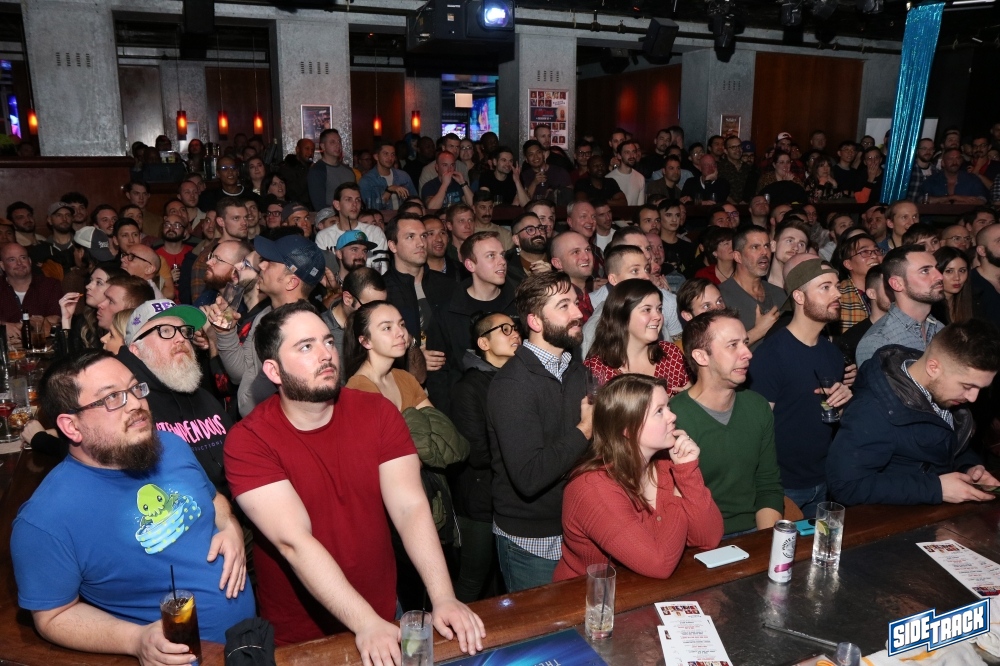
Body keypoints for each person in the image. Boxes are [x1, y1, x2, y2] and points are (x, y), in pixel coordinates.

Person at [224, 302, 486, 654]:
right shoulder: (249, 440)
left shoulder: (377, 412)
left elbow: (410, 507)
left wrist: (444, 597)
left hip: (384, 612)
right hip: (302, 636)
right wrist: (364, 622)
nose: (325, 354)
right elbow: (294, 541)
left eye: (328, 341)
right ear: (274, 370)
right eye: (306, 346)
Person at [11, 350, 253, 659]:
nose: (136, 403)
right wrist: (135, 640)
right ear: (71, 427)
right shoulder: (45, 519)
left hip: (252, 640)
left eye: (135, 388)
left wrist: (229, 527)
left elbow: (213, 499)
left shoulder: (170, 445)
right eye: (112, 398)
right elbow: (53, 616)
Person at [554, 374, 723, 581]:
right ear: (627, 428)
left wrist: (687, 472)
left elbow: (708, 539)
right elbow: (659, 565)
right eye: (659, 411)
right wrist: (677, 496)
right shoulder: (593, 488)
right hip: (591, 595)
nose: (672, 416)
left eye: (668, 407)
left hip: (646, 589)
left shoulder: (666, 464)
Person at [488, 271, 592, 591]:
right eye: (564, 306)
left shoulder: (576, 371)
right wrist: (585, 430)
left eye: (575, 303)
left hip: (579, 525)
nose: (578, 313)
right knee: (545, 624)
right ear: (535, 321)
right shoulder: (512, 384)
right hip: (532, 541)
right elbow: (529, 476)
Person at [828, 319, 1000, 506]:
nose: (973, 397)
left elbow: (947, 445)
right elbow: (845, 486)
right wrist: (936, 488)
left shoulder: (945, 390)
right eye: (967, 386)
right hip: (894, 519)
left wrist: (969, 468)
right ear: (933, 368)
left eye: (980, 388)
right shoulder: (872, 409)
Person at [748, 259, 852, 518]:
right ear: (799, 296)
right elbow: (756, 430)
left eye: (837, 287)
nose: (837, 294)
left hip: (824, 480)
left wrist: (843, 403)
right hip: (782, 486)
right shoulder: (772, 355)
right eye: (825, 287)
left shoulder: (832, 354)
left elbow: (828, 416)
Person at [671, 310, 784, 536]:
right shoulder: (673, 418)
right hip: (701, 538)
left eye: (745, 343)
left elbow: (768, 485)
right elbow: (671, 506)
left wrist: (764, 543)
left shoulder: (757, 407)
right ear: (701, 357)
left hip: (756, 530)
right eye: (733, 345)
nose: (747, 353)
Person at [117, 299, 235, 497]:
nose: (180, 338)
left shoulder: (204, 397)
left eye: (184, 331)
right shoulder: (130, 410)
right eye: (165, 331)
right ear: (136, 350)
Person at [449, 312, 520, 602]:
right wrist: (524, 448)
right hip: (479, 503)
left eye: (515, 328)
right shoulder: (468, 387)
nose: (515, 334)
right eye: (505, 329)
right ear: (484, 343)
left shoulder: (519, 378)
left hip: (511, 499)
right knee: (472, 582)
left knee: (506, 585)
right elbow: (476, 452)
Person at [585, 279, 689, 394]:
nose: (658, 316)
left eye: (659, 309)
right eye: (647, 310)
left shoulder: (671, 354)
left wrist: (684, 400)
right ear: (622, 316)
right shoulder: (596, 368)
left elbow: (693, 397)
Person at [855, 245, 945, 366]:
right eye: (925, 271)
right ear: (897, 284)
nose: (940, 276)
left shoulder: (939, 328)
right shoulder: (879, 341)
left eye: (937, 268)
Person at [718, 227, 784, 349]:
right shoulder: (721, 297)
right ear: (738, 256)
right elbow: (718, 351)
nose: (764, 252)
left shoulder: (780, 294)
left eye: (767, 246)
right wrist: (758, 332)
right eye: (755, 247)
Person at [0, 242, 63, 343]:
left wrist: (10, 327)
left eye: (23, 258)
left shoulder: (50, 285)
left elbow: (56, 319)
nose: (19, 263)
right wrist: (4, 327)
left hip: (44, 346)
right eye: (12, 260)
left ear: (29, 261)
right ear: (2, 265)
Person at [323, 266, 387, 361]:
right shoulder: (322, 329)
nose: (377, 315)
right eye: (368, 307)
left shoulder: (380, 326)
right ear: (348, 299)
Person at [837, 233, 883, 334]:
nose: (874, 255)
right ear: (848, 264)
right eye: (864, 252)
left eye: (876, 250)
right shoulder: (838, 296)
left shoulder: (893, 288)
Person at [359, 140, 417, 211]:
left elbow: (415, 201)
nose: (390, 158)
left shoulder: (403, 176)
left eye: (393, 154)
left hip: (403, 216)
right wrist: (388, 191)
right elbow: (372, 209)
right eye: (386, 154)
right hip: (382, 217)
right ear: (376, 156)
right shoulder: (367, 181)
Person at [308, 128, 357, 212]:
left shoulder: (348, 171)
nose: (338, 145)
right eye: (332, 142)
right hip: (329, 217)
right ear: (323, 146)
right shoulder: (317, 171)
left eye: (339, 142)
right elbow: (319, 205)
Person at [932, 247, 973, 325]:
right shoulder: (930, 310)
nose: (957, 278)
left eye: (962, 271)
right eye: (949, 271)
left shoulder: (973, 302)